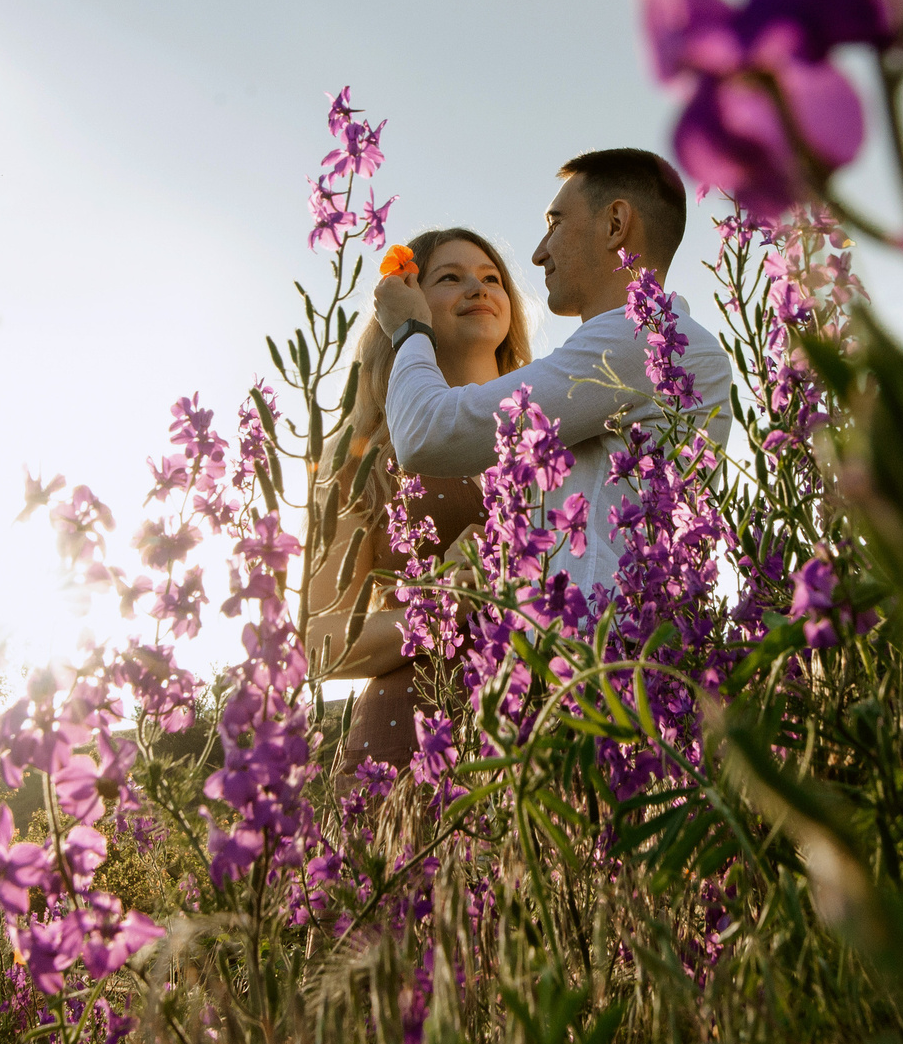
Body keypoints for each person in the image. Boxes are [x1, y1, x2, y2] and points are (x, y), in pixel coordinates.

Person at [373, 149, 733, 594]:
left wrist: (410, 328)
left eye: (555, 223)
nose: (540, 253)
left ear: (615, 224)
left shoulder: (641, 341)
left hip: (608, 655)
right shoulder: (636, 345)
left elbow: (426, 433)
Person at [308, 227, 534, 767]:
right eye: (449, 278)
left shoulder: (548, 435)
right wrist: (443, 600)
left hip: (546, 743)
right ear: (407, 304)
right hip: (408, 748)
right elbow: (318, 639)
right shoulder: (360, 452)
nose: (477, 289)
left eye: (491, 278)